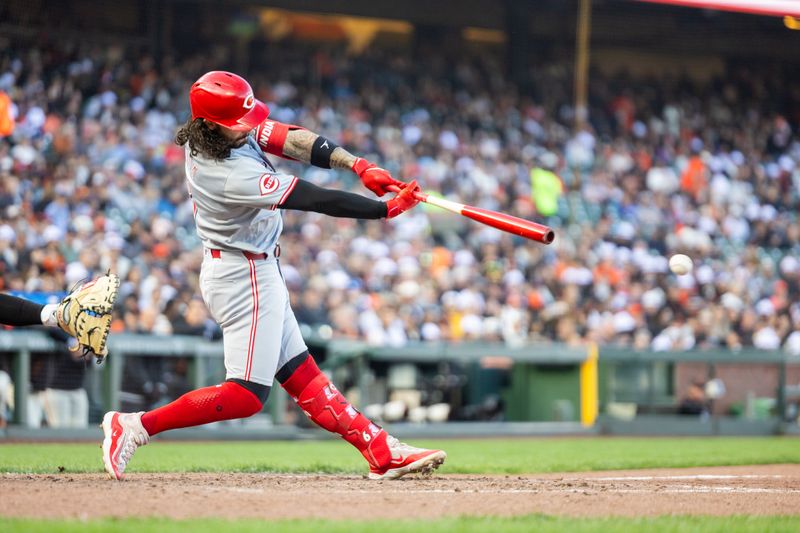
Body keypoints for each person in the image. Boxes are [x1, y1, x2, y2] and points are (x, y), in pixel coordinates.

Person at [101, 71, 446, 481]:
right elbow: (311, 198)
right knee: (246, 396)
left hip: (257, 267)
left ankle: (379, 449)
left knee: (304, 376)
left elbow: (288, 137)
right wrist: (382, 210)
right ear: (209, 124)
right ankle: (136, 426)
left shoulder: (220, 130)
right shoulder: (223, 172)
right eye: (239, 125)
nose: (248, 129)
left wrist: (358, 165)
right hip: (240, 274)